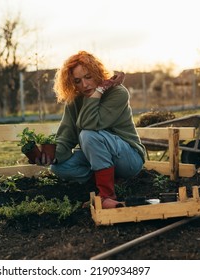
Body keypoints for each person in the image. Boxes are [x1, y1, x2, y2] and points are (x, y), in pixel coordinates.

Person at [43, 51, 146, 209]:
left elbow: (91, 124)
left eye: (88, 77)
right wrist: (50, 156)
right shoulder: (74, 101)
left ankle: (106, 195)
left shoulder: (118, 93)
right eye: (77, 81)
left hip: (129, 158)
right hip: (99, 157)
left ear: (97, 73)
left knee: (88, 135)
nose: (84, 85)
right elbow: (66, 138)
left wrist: (99, 91)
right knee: (59, 168)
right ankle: (108, 180)